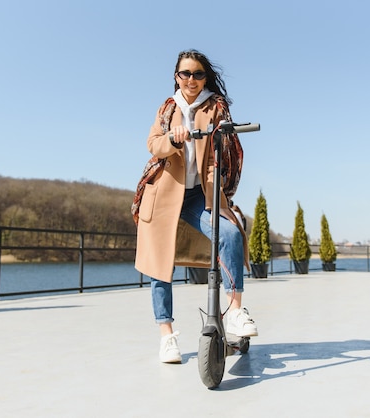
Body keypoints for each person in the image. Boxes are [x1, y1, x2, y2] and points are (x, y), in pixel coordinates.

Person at [134, 49, 258, 363]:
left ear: (206, 77)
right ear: (176, 76)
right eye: (185, 74)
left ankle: (235, 310)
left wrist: (221, 144)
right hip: (164, 195)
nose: (191, 80)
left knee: (229, 234)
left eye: (197, 74)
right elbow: (153, 144)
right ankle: (167, 336)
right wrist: (174, 139)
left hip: (201, 194)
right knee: (160, 266)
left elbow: (223, 150)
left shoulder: (215, 107)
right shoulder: (167, 108)